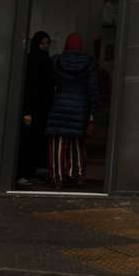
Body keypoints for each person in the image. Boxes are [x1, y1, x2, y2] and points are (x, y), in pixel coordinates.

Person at [45, 33, 102, 187]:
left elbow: (50, 83)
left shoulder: (57, 61)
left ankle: (57, 177)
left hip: (59, 106)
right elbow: (93, 89)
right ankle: (77, 175)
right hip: (80, 107)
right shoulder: (89, 63)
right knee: (77, 142)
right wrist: (93, 112)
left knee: (58, 143)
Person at [16, 31, 54, 186]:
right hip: (33, 108)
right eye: (42, 43)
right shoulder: (33, 61)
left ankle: (30, 172)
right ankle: (23, 174)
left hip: (42, 109)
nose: (45, 46)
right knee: (28, 141)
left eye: (47, 43)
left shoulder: (44, 60)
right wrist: (27, 111)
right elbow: (30, 87)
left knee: (35, 140)